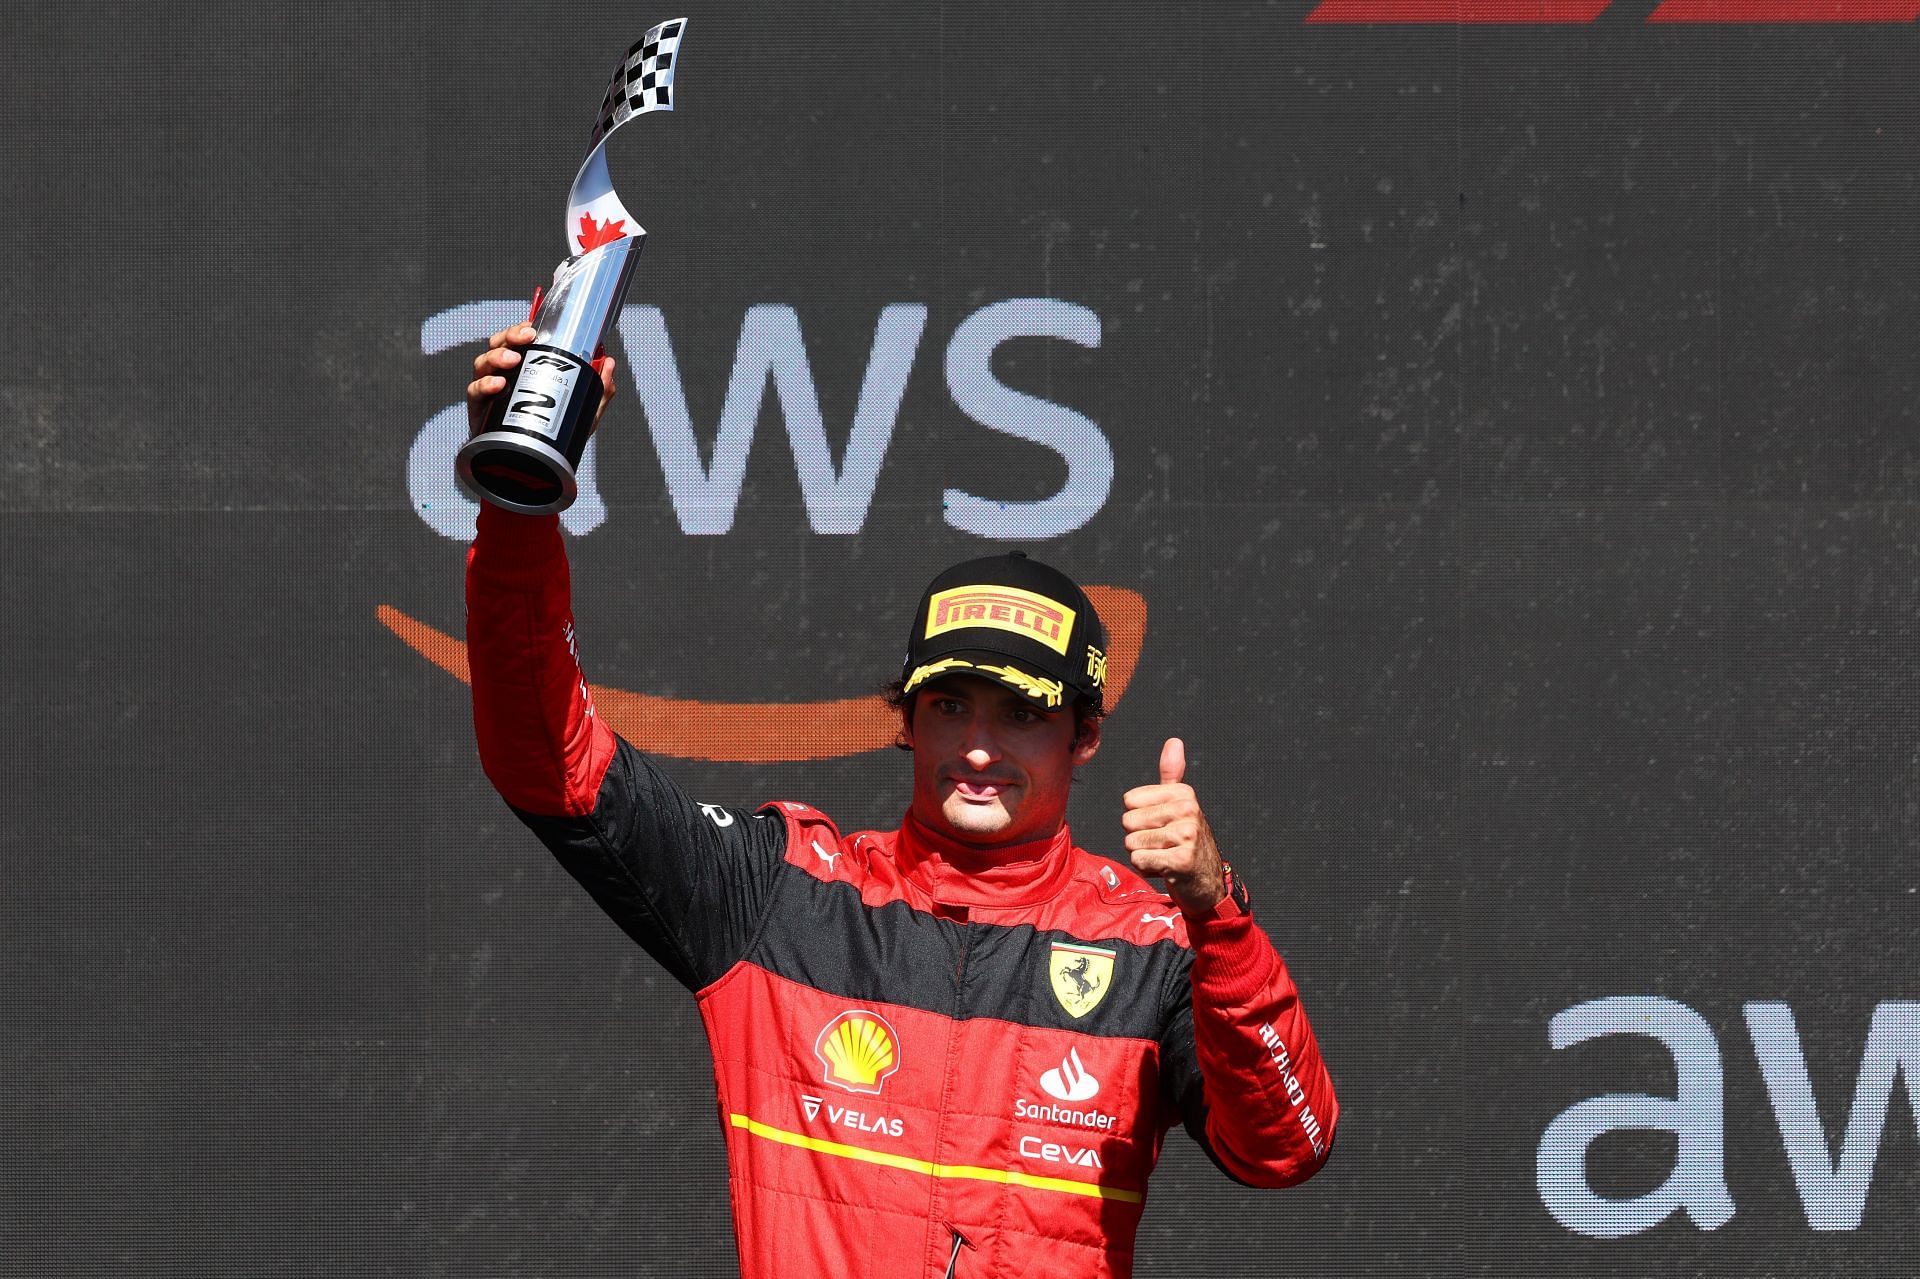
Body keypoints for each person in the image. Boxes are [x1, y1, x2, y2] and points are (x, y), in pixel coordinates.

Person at [463, 325, 1337, 1279]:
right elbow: (552, 763)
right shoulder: (783, 893)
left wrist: (1218, 911)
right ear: (904, 721)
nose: (976, 746)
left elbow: (1285, 1146)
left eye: (1020, 715)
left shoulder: (1153, 946)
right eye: (950, 704)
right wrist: (519, 509)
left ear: (1085, 736)